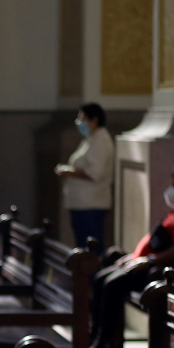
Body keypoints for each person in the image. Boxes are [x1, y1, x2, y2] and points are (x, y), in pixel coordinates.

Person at [88, 167, 174, 348]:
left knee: (111, 284)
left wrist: (148, 261)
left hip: (162, 274)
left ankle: (105, 342)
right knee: (102, 276)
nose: (171, 189)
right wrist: (135, 257)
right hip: (148, 266)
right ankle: (96, 336)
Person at [56, 103, 114, 251]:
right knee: (83, 247)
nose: (79, 123)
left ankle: (92, 275)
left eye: (82, 119)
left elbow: (95, 172)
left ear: (94, 120)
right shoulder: (91, 139)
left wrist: (69, 172)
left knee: (91, 248)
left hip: (91, 204)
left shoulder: (100, 140)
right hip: (82, 203)